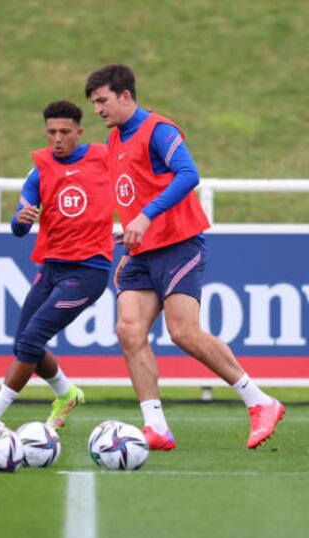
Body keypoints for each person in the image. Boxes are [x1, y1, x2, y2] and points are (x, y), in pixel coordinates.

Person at [85, 64, 284, 450]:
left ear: (126, 96)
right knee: (129, 330)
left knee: (183, 332)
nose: (97, 109)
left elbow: (188, 174)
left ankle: (260, 402)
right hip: (141, 254)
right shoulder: (113, 141)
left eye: (102, 101)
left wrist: (145, 218)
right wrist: (130, 239)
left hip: (179, 244)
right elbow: (132, 193)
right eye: (93, 103)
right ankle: (156, 426)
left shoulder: (158, 130)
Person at [0, 101, 113, 431]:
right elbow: (18, 228)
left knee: (30, 341)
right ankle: (66, 393)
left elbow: (136, 184)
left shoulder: (103, 158)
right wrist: (21, 219)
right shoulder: (40, 169)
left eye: (64, 132)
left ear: (79, 133)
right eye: (51, 132)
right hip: (51, 268)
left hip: (88, 272)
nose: (57, 138)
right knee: (23, 345)